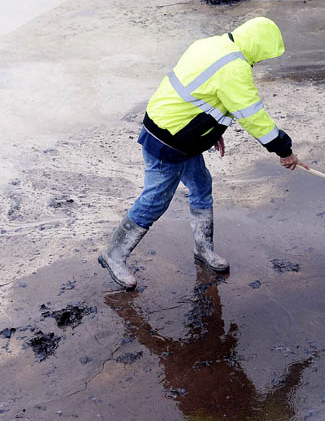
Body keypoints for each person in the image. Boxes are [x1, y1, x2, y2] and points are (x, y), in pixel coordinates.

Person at [99, 16, 301, 289]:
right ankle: (114, 254)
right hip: (168, 139)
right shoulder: (234, 68)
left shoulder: (211, 44)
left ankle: (203, 250)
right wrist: (284, 150)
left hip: (176, 131)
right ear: (257, 46)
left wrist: (214, 131)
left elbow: (203, 93)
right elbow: (254, 118)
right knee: (156, 198)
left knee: (201, 184)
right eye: (263, 55)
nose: (261, 61)